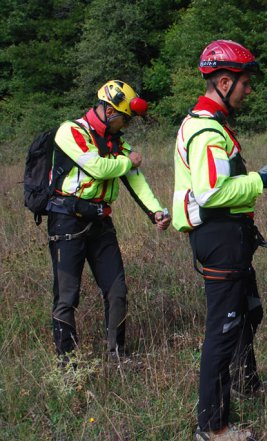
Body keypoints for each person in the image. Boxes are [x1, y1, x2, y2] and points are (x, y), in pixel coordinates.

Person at [172, 40, 267, 441]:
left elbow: (221, 181)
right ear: (224, 81)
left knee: (248, 313)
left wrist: (258, 174)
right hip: (219, 238)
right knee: (223, 330)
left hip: (231, 236)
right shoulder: (207, 129)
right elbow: (210, 193)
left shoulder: (213, 124)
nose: (248, 90)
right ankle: (213, 427)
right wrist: (262, 180)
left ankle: (247, 383)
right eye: (244, 83)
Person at [47, 80, 171, 361]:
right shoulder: (71, 131)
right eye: (123, 118)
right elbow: (98, 167)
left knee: (117, 290)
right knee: (67, 296)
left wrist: (156, 212)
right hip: (66, 220)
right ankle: (68, 365)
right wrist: (129, 162)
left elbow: (136, 181)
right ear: (107, 108)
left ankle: (117, 355)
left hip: (101, 222)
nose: (124, 124)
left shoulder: (119, 143)